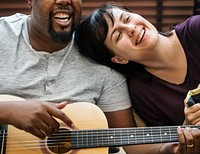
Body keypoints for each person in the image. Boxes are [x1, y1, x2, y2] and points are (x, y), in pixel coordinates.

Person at [0, 0, 133, 154]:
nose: (64, 1)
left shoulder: (100, 53)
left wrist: (165, 147)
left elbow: (129, 141)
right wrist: (6, 111)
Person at [75, 2, 200, 154]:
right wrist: (187, 132)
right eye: (119, 35)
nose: (131, 28)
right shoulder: (142, 93)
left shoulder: (196, 29)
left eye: (127, 19)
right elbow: (172, 144)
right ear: (119, 59)